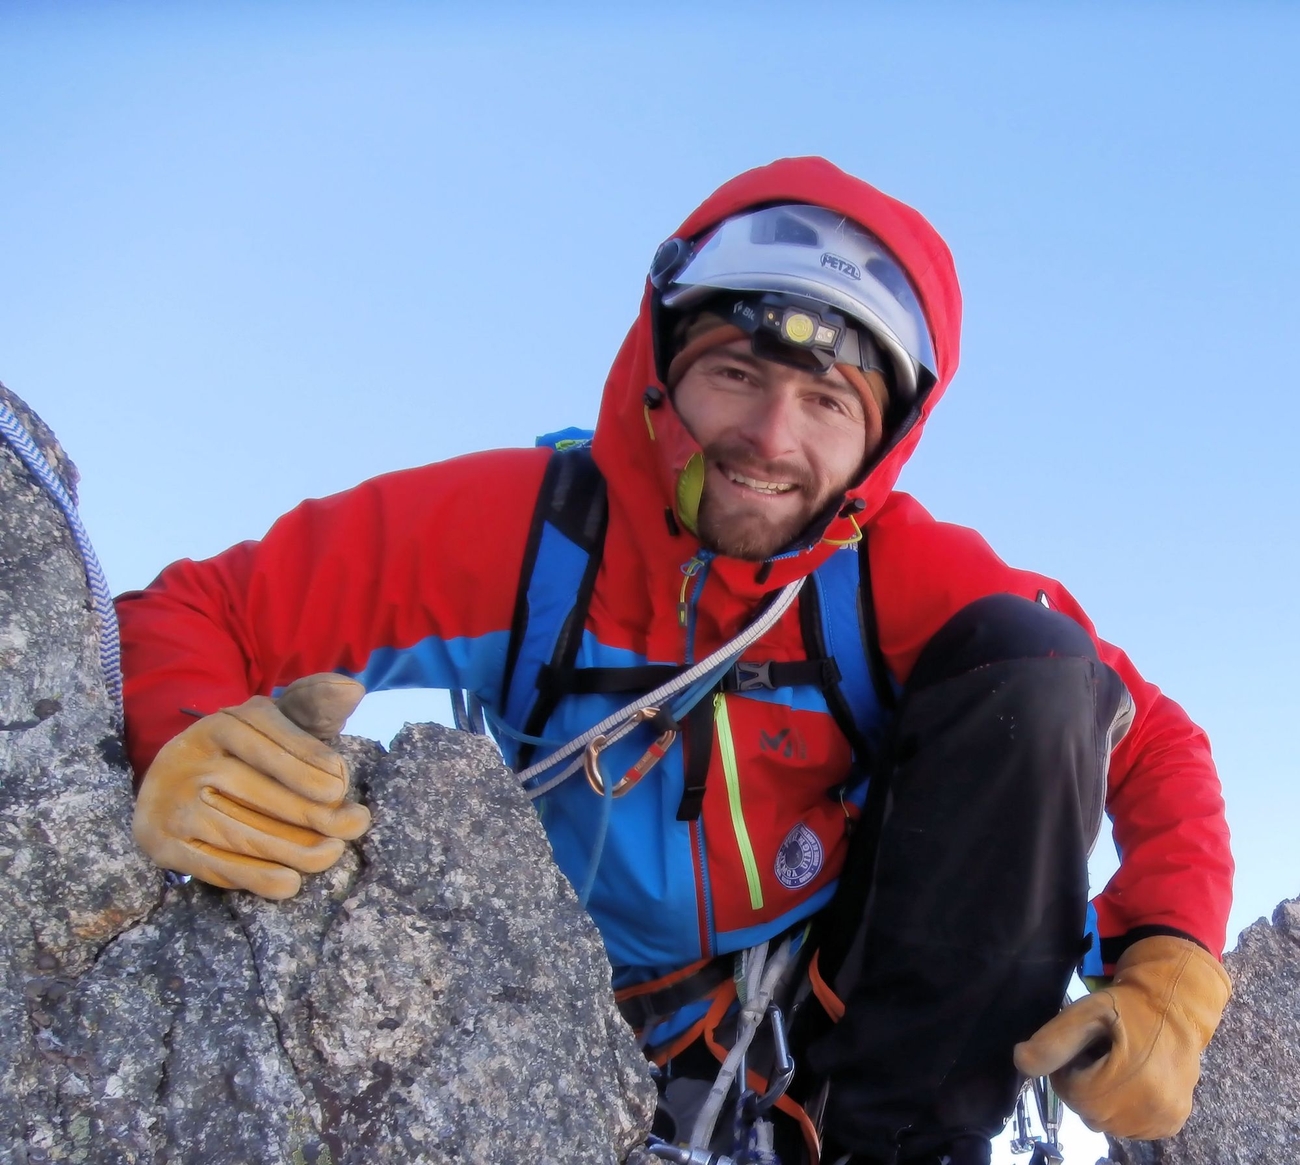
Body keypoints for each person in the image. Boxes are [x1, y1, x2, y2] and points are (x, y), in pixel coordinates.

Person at [119, 157, 1233, 1165]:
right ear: (663, 369)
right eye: (737, 373)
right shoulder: (529, 532)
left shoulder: (893, 571)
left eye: (828, 402)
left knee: (1033, 669)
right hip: (551, 987)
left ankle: (896, 1151)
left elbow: (1146, 737)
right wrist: (184, 734)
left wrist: (1171, 967)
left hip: (817, 1008)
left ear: (881, 442)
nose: (772, 437)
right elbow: (197, 608)